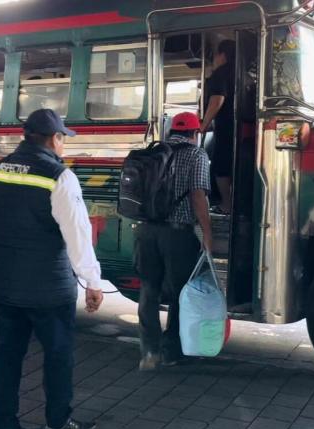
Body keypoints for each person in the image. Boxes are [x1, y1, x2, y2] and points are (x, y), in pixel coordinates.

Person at [0, 108, 104, 429]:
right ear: (53, 138)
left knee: (7, 356)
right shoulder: (59, 176)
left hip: (3, 285)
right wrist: (92, 281)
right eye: (63, 139)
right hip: (48, 289)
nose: (64, 146)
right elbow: (77, 235)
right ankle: (58, 422)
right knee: (58, 355)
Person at [135, 112, 212, 371]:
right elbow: (198, 195)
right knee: (181, 293)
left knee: (149, 289)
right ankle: (172, 351)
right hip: (177, 234)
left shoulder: (154, 152)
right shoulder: (196, 154)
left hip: (146, 231)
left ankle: (149, 351)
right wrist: (207, 233)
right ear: (195, 132)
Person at [200, 39, 236, 214]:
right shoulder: (243, 72)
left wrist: (204, 125)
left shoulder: (220, 73)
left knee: (221, 168)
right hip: (239, 129)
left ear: (222, 55)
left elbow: (217, 99)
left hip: (226, 128)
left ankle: (227, 205)